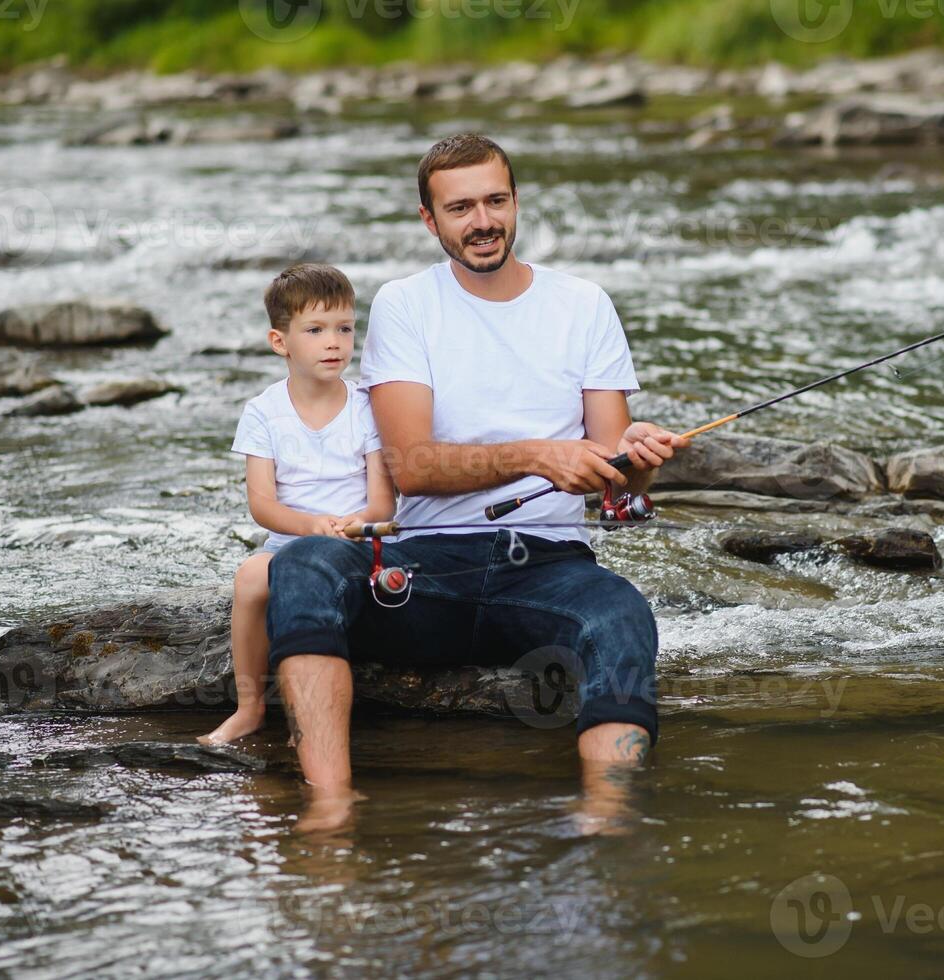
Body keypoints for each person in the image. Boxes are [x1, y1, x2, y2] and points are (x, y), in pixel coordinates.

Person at [266, 135, 688, 832]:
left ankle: (606, 817)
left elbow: (620, 498)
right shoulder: (405, 306)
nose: (482, 220)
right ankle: (330, 807)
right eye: (460, 208)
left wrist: (636, 461)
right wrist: (538, 456)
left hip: (549, 571)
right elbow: (412, 467)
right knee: (304, 564)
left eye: (495, 200)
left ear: (516, 202)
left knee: (621, 615)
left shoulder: (584, 305)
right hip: (427, 570)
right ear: (430, 222)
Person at [199, 263, 396, 746]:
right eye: (315, 330)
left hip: (357, 544)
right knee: (249, 576)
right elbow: (262, 505)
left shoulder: (366, 405)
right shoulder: (264, 412)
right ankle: (249, 709)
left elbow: (383, 501)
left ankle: (313, 715)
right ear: (280, 342)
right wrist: (310, 525)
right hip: (291, 543)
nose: (334, 342)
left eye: (345, 328)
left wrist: (358, 521)